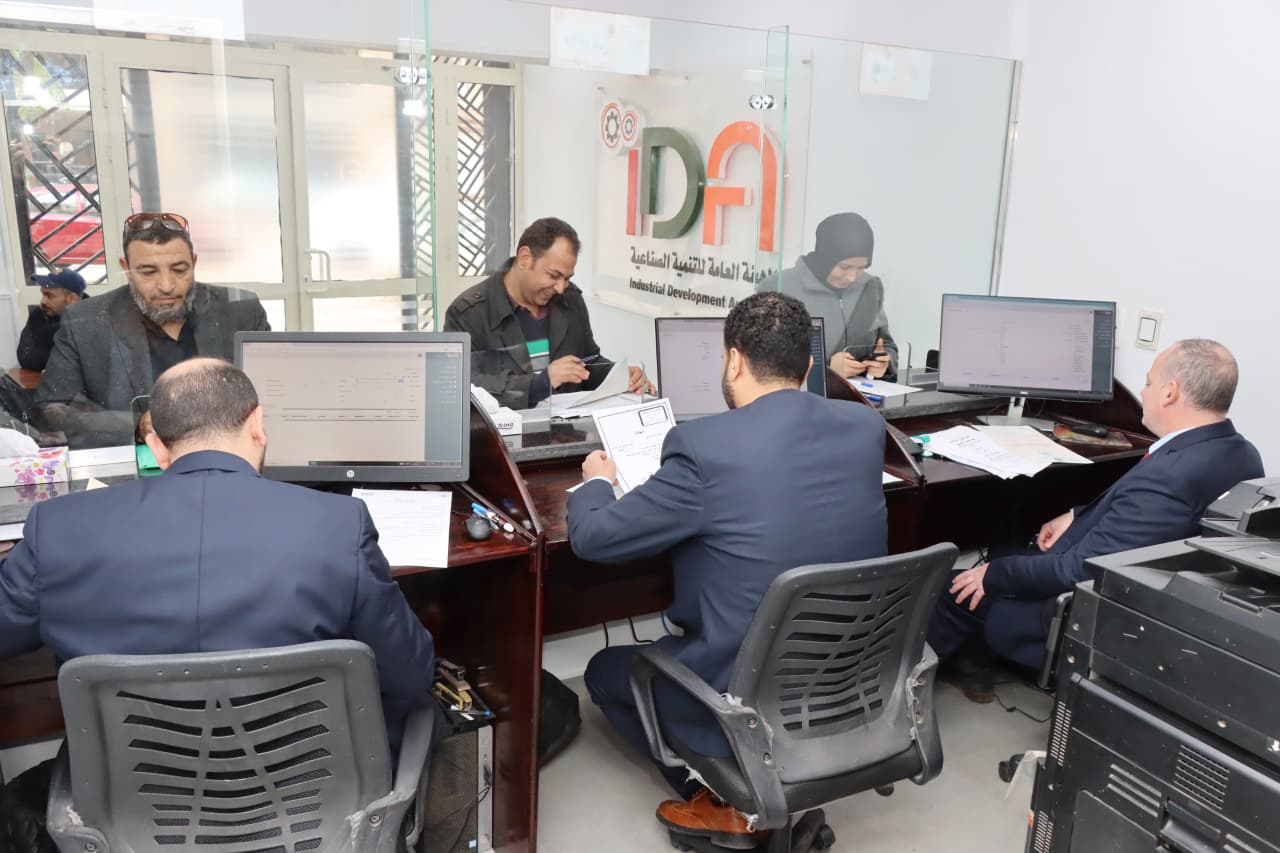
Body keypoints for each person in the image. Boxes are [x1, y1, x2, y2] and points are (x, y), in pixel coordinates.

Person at [567, 292, 887, 841]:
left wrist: (597, 481)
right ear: (809, 364)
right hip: (842, 683)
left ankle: (728, 801)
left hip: (740, 698)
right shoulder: (864, 427)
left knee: (603, 671)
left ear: (734, 360)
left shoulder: (703, 445)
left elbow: (592, 539)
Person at [0, 357, 436, 754]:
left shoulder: (57, 529)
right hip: (313, 789)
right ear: (257, 425)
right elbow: (410, 674)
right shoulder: (339, 524)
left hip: (131, 800)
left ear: (156, 446)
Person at [929, 338, 1264, 699]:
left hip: (1085, 607)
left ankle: (901, 685)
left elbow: (1080, 571)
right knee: (1004, 547)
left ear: (1170, 393)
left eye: (1149, 382)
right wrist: (1077, 515)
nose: (1143, 391)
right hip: (1150, 590)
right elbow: (1142, 515)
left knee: (952, 585)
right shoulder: (1241, 455)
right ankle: (975, 664)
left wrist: (994, 575)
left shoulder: (1171, 475)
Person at [34, 212, 270, 447]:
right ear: (126, 268)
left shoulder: (241, 312)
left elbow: (273, 392)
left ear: (194, 262)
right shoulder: (87, 321)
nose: (166, 286)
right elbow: (51, 410)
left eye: (179, 270)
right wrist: (136, 426)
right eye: (148, 272)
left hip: (230, 455)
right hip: (138, 463)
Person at [444, 217, 652, 409]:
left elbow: (586, 363)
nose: (560, 288)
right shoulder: (468, 313)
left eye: (567, 278)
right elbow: (461, 387)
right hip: (504, 434)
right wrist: (539, 383)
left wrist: (619, 377)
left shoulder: (571, 300)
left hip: (570, 431)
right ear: (525, 258)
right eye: (554, 275)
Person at [771, 212, 898, 382]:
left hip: (860, 395)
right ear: (825, 259)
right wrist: (827, 369)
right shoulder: (780, 287)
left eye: (861, 268)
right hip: (804, 396)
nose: (852, 277)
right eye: (845, 267)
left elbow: (887, 346)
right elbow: (765, 363)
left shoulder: (870, 287)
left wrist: (884, 363)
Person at [17, 269, 87, 371]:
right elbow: (26, 358)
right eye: (43, 295)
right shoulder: (39, 314)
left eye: (50, 296)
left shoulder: (92, 319)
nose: (43, 301)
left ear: (72, 298)